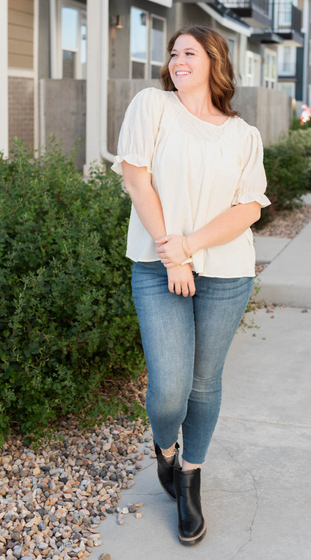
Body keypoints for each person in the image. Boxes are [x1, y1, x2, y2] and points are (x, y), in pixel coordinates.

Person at [111, 25, 271, 546]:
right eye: (174, 52)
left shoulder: (243, 134)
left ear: (214, 61)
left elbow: (248, 207)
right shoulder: (152, 106)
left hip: (226, 272)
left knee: (205, 384)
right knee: (169, 391)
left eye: (190, 52)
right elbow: (136, 177)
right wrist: (171, 251)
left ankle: (190, 477)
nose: (178, 60)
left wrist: (191, 245)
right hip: (159, 268)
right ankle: (164, 450)